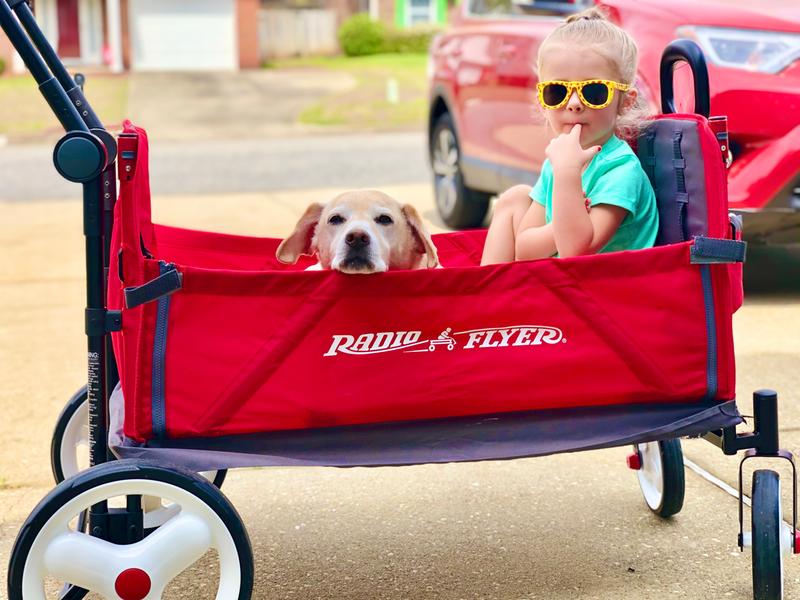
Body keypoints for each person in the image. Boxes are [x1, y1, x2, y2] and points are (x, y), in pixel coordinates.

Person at [480, 7, 658, 264]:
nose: (573, 103)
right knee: (514, 197)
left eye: (594, 91)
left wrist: (566, 172)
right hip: (567, 286)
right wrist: (564, 218)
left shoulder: (621, 171)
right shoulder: (558, 163)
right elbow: (525, 249)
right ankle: (486, 296)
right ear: (543, 102)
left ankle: (490, 300)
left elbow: (576, 251)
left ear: (625, 102)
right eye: (557, 91)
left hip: (606, 293)